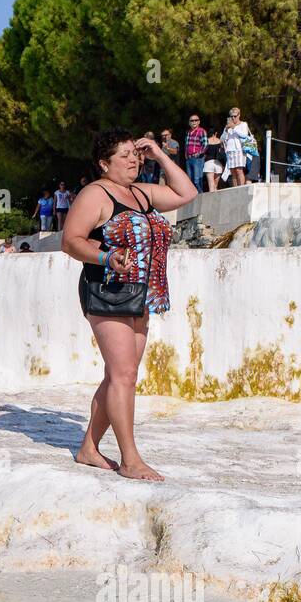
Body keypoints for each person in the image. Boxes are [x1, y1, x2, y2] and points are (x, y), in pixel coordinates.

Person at [63, 131, 197, 481]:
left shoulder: (142, 193)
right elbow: (71, 240)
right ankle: (131, 459)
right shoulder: (96, 193)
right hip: (107, 290)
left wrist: (160, 155)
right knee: (123, 374)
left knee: (118, 375)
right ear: (104, 163)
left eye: (136, 154)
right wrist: (107, 257)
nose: (133, 160)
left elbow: (187, 193)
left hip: (141, 293)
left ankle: (88, 449)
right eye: (124, 155)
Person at [221, 109, 250, 186]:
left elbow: (244, 135)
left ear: (239, 115)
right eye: (231, 116)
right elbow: (222, 139)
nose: (233, 118)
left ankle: (241, 188)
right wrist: (226, 130)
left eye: (235, 116)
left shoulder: (243, 124)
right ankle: (235, 190)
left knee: (239, 170)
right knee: (232, 172)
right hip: (229, 151)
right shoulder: (228, 126)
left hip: (239, 150)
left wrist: (234, 127)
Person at [183, 115, 207, 189]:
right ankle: (193, 198)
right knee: (190, 180)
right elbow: (186, 144)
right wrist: (186, 154)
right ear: (189, 123)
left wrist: (198, 153)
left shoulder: (202, 131)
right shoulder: (188, 132)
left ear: (199, 121)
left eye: (196, 120)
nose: (194, 122)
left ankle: (200, 197)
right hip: (189, 159)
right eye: (192, 120)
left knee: (197, 180)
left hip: (198, 159)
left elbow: (205, 145)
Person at [203, 127, 226, 192]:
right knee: (215, 185)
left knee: (211, 185)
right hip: (218, 163)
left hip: (208, 163)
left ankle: (211, 201)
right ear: (216, 133)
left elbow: (203, 153)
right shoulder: (220, 141)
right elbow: (223, 153)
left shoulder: (206, 141)